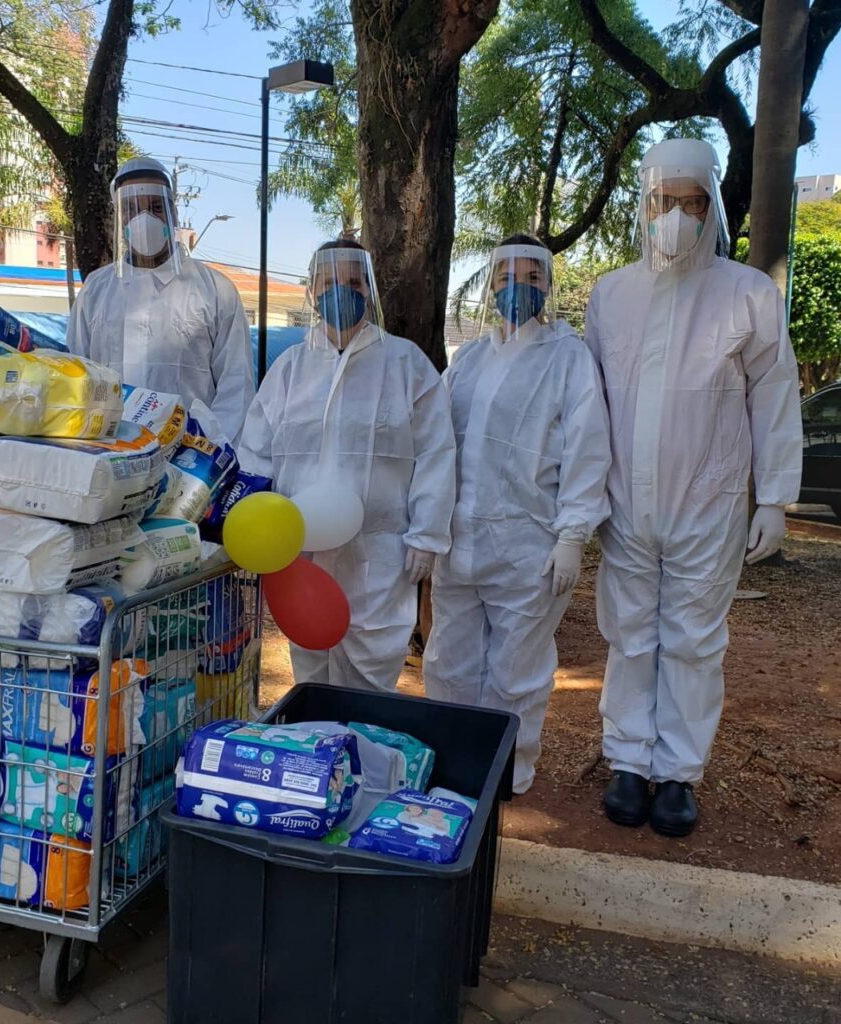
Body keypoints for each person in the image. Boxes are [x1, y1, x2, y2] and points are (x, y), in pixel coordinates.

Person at [585, 138, 802, 836]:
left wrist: (774, 497)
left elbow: (774, 397)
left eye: (690, 202)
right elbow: (589, 405)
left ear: (711, 207)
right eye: (661, 202)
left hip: (707, 505)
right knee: (629, 634)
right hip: (626, 503)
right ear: (642, 209)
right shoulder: (612, 294)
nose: (674, 216)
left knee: (694, 640)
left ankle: (677, 772)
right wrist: (583, 495)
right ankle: (627, 759)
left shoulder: (748, 294)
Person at [423, 236, 611, 795]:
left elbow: (587, 448)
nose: (515, 288)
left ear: (548, 285)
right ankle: (450, 765)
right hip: (460, 542)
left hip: (529, 544)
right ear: (489, 285)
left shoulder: (567, 356)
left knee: (516, 671)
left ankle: (505, 774)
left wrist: (573, 534)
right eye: (504, 277)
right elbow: (437, 446)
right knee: (449, 664)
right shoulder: (470, 359)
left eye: (530, 277)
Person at [238, 239, 456, 692]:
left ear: (370, 288)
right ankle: (317, 762)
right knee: (312, 677)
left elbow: (436, 451)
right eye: (329, 282)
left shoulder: (404, 364)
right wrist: (257, 530)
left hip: (378, 555)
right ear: (312, 291)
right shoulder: (291, 368)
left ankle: (365, 762)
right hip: (302, 558)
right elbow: (255, 453)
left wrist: (428, 532)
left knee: (371, 684)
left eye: (354, 282)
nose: (342, 291)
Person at [67, 157, 254, 442]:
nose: (144, 219)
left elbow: (236, 387)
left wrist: (210, 455)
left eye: (156, 207)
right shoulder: (96, 291)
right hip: (110, 455)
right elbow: (78, 375)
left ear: (173, 214)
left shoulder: (214, 290)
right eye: (131, 208)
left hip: (190, 462)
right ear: (119, 218)